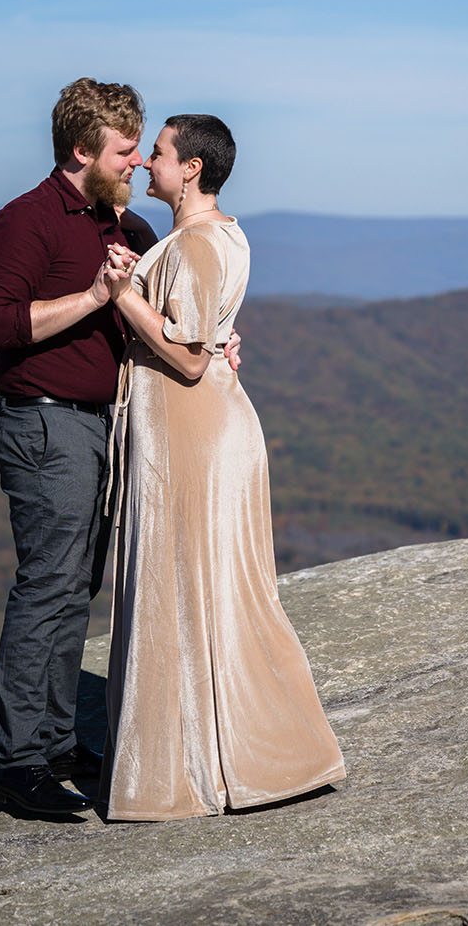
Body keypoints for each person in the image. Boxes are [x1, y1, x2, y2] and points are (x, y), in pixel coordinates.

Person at [101, 114, 345, 821]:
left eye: (159, 154)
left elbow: (184, 356)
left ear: (193, 169)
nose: (148, 164)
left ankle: (209, 766)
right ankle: (227, 755)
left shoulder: (201, 245)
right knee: (207, 595)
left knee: (186, 593)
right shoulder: (222, 235)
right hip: (202, 431)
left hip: (190, 438)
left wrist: (122, 297)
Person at [0, 77, 157, 816]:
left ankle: (52, 743)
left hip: (101, 425)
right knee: (49, 587)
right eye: (124, 149)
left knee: (76, 587)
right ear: (82, 150)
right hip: (45, 422)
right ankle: (13, 766)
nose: (138, 161)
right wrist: (91, 298)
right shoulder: (27, 220)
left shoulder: (130, 229)